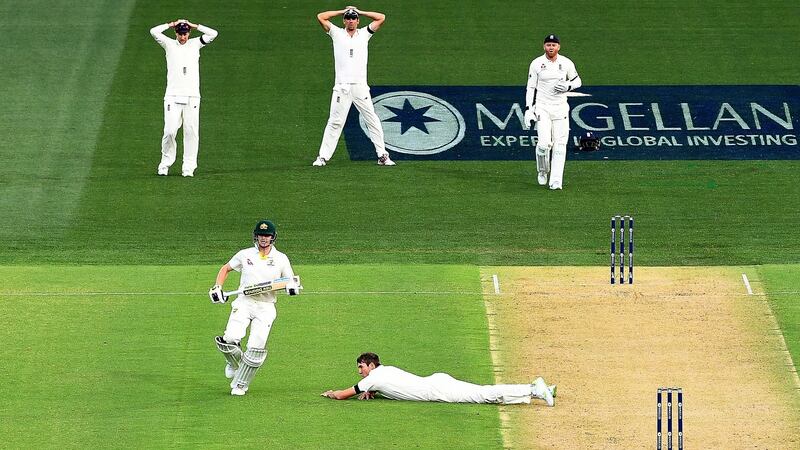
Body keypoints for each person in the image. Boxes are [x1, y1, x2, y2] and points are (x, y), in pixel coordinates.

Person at [208, 220, 300, 396]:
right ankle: (234, 364)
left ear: (273, 237)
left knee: (255, 348)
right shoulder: (245, 254)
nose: (263, 239)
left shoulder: (281, 258)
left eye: (267, 235)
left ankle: (240, 385)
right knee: (229, 339)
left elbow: (290, 280)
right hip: (244, 302)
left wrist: (291, 288)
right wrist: (218, 286)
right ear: (255, 236)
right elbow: (225, 269)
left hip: (266, 306)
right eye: (261, 235)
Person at [312, 6, 395, 167]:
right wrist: (342, 10)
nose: (351, 20)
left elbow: (381, 17)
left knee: (372, 119)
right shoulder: (336, 33)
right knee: (335, 122)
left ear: (358, 21)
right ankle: (322, 157)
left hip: (360, 87)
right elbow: (321, 16)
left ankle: (382, 156)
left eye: (353, 18)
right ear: (344, 20)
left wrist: (361, 11)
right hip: (342, 87)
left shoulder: (364, 34)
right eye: (348, 18)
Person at [321, 352, 556, 406]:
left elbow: (344, 395)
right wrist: (374, 391)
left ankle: (533, 388)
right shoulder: (383, 372)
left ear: (371, 365)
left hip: (437, 390)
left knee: (484, 395)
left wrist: (332, 393)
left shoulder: (373, 378)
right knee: (484, 395)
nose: (359, 371)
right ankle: (534, 391)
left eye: (361, 367)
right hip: (436, 383)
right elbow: (391, 384)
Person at [150, 19, 218, 177]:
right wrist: (171, 24)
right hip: (172, 95)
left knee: (191, 131)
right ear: (176, 33)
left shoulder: (196, 43)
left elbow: (213, 34)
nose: (183, 37)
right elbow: (154, 31)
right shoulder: (169, 44)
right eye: (180, 34)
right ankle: (165, 163)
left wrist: (195, 25)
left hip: (192, 96)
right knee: (169, 130)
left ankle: (188, 167)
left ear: (189, 33)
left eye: (185, 33)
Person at [524, 34, 582, 190]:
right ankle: (542, 171)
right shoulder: (537, 63)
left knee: (560, 145)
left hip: (561, 108)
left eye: (553, 45)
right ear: (544, 46)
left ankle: (556, 181)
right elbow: (530, 87)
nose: (551, 47)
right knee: (543, 144)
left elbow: (578, 81)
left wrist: (568, 86)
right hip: (542, 107)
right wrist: (529, 109)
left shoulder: (566, 63)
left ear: (558, 47)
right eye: (548, 45)